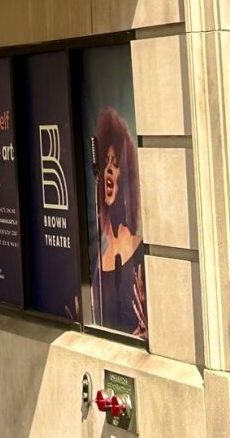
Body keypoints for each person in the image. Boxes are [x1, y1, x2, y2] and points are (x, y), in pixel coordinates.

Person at [91, 106, 147, 338]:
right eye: (105, 163)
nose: (108, 171)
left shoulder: (140, 252)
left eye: (115, 163)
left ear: (126, 175)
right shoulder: (96, 254)